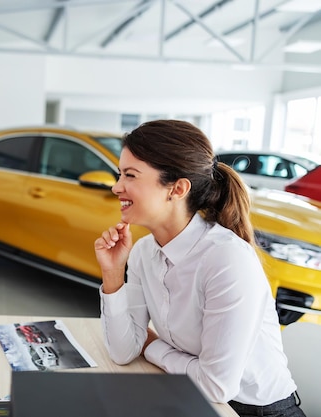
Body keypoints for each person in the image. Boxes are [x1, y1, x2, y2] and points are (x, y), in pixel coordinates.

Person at [94, 120, 306, 417]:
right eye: (120, 174)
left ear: (177, 188)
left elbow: (217, 386)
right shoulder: (143, 252)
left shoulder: (226, 259)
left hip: (255, 411)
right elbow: (123, 351)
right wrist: (113, 274)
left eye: (130, 175)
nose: (117, 187)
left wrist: (153, 346)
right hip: (189, 396)